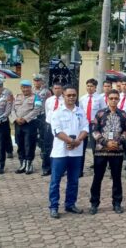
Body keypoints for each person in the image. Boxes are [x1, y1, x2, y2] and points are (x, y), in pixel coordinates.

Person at [48, 87, 88, 218]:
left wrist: (78, 141)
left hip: (76, 152)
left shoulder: (80, 112)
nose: (71, 97)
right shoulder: (57, 112)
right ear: (63, 96)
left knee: (74, 180)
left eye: (74, 95)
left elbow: (85, 128)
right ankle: (54, 206)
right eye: (69, 95)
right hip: (60, 152)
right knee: (55, 180)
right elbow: (57, 131)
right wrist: (71, 141)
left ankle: (70, 204)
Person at [88, 90, 126, 215]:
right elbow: (94, 131)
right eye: (111, 98)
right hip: (101, 151)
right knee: (97, 177)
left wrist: (118, 142)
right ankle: (94, 203)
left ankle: (117, 203)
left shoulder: (123, 114)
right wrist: (106, 143)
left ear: (119, 100)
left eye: (116, 98)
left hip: (117, 150)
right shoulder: (100, 114)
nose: (113, 100)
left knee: (117, 178)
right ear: (107, 99)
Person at [12, 79, 41, 174]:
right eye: (23, 87)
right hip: (18, 124)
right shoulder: (16, 97)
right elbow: (11, 110)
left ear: (30, 87)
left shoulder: (36, 97)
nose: (25, 89)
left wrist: (25, 119)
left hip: (30, 124)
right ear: (21, 88)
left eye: (27, 87)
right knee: (19, 143)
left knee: (29, 144)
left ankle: (29, 163)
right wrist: (16, 119)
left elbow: (37, 110)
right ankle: (22, 163)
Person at [79, 78, 105, 177]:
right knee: (82, 147)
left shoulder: (99, 98)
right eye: (88, 86)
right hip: (84, 125)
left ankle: (97, 170)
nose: (89, 88)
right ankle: (79, 170)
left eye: (91, 86)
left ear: (95, 88)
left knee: (95, 148)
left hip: (95, 125)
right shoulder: (82, 98)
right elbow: (80, 112)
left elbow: (103, 112)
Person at [41, 83, 64, 176]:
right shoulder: (49, 100)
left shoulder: (65, 100)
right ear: (52, 89)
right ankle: (46, 168)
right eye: (55, 88)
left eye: (59, 88)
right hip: (49, 124)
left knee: (60, 147)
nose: (57, 90)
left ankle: (60, 169)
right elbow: (47, 112)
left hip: (60, 126)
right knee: (47, 147)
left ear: (62, 89)